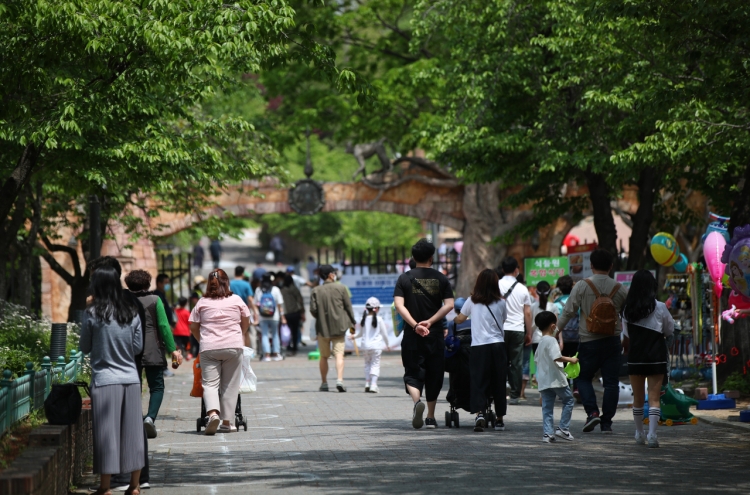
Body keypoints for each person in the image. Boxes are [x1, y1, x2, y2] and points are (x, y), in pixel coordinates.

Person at [86, 257, 151, 491]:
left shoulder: (93, 312)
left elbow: (84, 346)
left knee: (106, 435)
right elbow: (137, 348)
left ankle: (105, 488)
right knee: (132, 434)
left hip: (104, 381)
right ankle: (135, 486)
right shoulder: (131, 311)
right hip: (131, 380)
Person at [557, 249, 628, 433]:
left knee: (583, 378)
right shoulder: (620, 289)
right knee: (611, 382)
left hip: (589, 341)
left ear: (591, 265)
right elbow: (628, 316)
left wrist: (555, 331)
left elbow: (568, 312)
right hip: (613, 341)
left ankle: (593, 413)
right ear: (611, 266)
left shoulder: (582, 285)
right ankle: (607, 423)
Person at [394, 239, 454, 429]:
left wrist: (415, 325)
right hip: (434, 335)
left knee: (412, 373)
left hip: (413, 335)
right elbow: (450, 305)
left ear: (413, 257)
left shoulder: (404, 278)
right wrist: (430, 321)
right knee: (434, 375)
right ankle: (430, 417)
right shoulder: (441, 278)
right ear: (431, 257)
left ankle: (416, 402)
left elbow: (399, 305)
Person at [188, 269, 251, 435]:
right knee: (230, 385)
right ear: (227, 282)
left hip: (209, 347)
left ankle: (213, 414)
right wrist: (240, 335)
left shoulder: (202, 302)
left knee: (209, 384)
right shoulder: (237, 300)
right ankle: (227, 422)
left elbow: (193, 326)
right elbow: (246, 321)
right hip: (233, 346)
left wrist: (202, 340)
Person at [123, 270, 182, 439]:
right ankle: (149, 418)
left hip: (128, 350)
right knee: (156, 386)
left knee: (133, 386)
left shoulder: (123, 301)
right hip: (152, 348)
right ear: (148, 284)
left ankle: (132, 421)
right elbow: (163, 326)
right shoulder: (155, 300)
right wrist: (172, 349)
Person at [621, 270, 675, 448]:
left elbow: (627, 333)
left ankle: (639, 433)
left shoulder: (627, 309)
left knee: (637, 398)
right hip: (656, 357)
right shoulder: (660, 307)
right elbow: (669, 329)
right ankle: (652, 435)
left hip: (636, 356)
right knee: (654, 398)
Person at [452, 269, 508, 433]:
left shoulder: (471, 301)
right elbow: (503, 320)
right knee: (498, 382)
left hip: (479, 347)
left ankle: (480, 414)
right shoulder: (501, 303)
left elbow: (460, 319)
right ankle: (499, 420)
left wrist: (455, 319)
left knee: (478, 381)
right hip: (498, 346)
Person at [310, 264, 356, 392]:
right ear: (331, 275)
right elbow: (348, 307)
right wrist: (353, 322)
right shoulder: (341, 288)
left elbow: (313, 310)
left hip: (322, 328)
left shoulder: (316, 290)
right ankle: (339, 380)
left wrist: (321, 316)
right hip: (339, 328)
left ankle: (324, 383)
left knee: (324, 356)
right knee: (339, 355)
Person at [534, 310, 578, 443]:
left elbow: (537, 360)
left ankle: (548, 434)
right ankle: (563, 428)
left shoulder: (541, 342)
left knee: (547, 408)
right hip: (556, 380)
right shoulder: (552, 340)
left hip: (544, 381)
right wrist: (571, 360)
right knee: (569, 400)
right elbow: (556, 357)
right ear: (553, 326)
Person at [497, 256, 533, 405]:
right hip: (517, 329)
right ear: (516, 270)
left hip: (500, 329)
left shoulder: (496, 285)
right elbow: (528, 312)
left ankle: (499, 392)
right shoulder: (522, 288)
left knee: (500, 361)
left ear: (503, 270)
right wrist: (529, 332)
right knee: (517, 363)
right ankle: (514, 395)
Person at [523, 281, 559, 399]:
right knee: (549, 365)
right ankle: (547, 392)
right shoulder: (553, 307)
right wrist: (559, 340)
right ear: (549, 292)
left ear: (537, 292)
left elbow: (530, 323)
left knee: (539, 365)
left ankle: (541, 392)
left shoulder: (533, 307)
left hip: (536, 339)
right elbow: (556, 326)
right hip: (550, 339)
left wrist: (528, 334)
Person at [350, 297, 391, 393]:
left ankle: (367, 383)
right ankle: (373, 385)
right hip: (376, 347)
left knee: (367, 364)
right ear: (376, 308)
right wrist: (388, 344)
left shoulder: (363, 319)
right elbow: (384, 334)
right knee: (375, 365)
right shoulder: (379, 319)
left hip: (365, 346)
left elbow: (360, 334)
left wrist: (353, 337)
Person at [554, 275, 579, 396]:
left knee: (562, 363)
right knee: (576, 362)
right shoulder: (576, 301)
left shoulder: (556, 303)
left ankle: (566, 389)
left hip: (561, 339)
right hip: (577, 337)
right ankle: (577, 388)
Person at [255, 273, 286, 362]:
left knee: (264, 335)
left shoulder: (258, 290)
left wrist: (256, 316)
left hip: (262, 316)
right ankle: (276, 354)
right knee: (275, 334)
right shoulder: (276, 289)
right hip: (274, 316)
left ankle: (267, 355)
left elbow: (255, 304)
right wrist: (283, 317)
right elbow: (280, 305)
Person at [154, 273, 175, 377]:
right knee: (162, 347)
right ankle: (163, 368)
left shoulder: (162, 294)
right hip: (162, 325)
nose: (167, 285)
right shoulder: (157, 295)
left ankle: (164, 368)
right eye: (165, 283)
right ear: (159, 283)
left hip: (166, 324)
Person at [280, 273, 305, 356]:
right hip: (295, 313)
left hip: (286, 314)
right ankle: (294, 346)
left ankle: (288, 346)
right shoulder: (295, 289)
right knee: (295, 331)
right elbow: (300, 300)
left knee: (287, 331)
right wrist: (302, 311)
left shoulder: (282, 290)